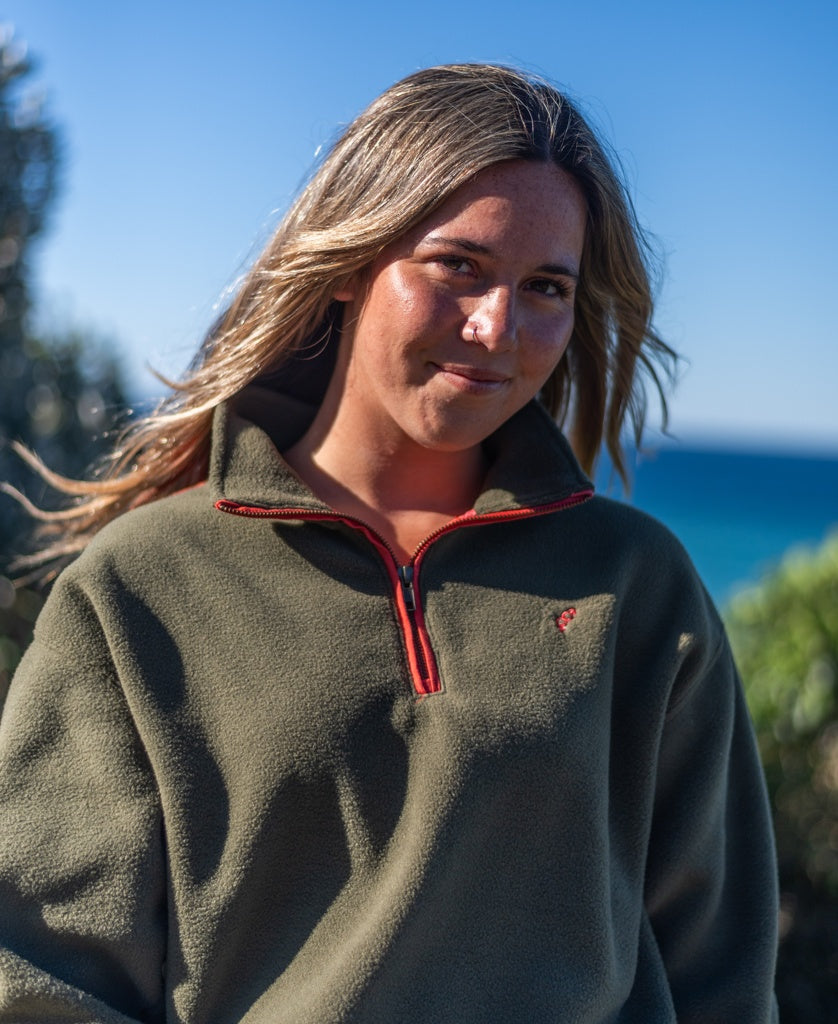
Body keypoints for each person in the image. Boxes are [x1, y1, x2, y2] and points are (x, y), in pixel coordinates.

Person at [0, 64, 778, 1023]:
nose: (498, 327)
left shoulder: (637, 587)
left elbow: (723, 972)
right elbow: (41, 981)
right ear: (346, 267)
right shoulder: (139, 589)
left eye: (545, 286)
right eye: (458, 265)